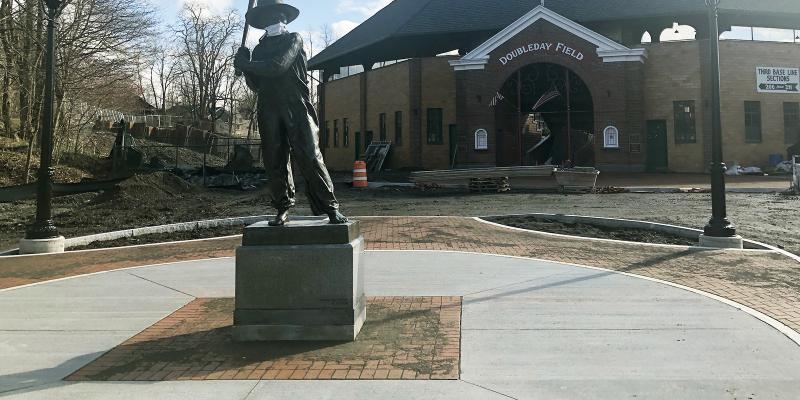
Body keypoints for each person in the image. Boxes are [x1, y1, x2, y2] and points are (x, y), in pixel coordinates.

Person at [235, 0, 347, 226]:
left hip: (296, 105)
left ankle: (331, 207)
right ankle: (282, 207)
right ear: (265, 19)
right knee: (274, 160)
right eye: (271, 15)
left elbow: (278, 66)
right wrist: (243, 65)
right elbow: (257, 85)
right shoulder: (259, 49)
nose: (277, 19)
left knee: (310, 156)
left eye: (280, 15)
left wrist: (248, 65)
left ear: (285, 17)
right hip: (268, 107)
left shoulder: (293, 39)